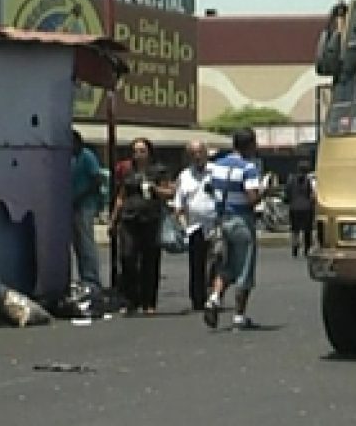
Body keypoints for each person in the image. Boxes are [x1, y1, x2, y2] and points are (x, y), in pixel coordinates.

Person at [203, 128, 264, 330]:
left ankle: (214, 298)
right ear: (249, 145)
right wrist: (264, 190)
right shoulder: (248, 168)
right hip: (241, 220)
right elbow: (252, 198)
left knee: (225, 264)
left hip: (222, 219)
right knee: (245, 267)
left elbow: (209, 188)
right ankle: (239, 314)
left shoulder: (217, 166)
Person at [110, 137, 173, 315]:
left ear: (149, 152)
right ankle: (131, 299)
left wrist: (155, 189)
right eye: (135, 151)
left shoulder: (159, 170)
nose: (138, 154)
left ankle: (149, 301)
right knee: (127, 257)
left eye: (142, 151)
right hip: (129, 220)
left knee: (149, 261)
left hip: (150, 220)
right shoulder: (128, 170)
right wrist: (113, 219)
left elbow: (169, 193)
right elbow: (121, 195)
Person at [173, 141, 217, 311]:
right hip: (194, 227)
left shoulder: (216, 172)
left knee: (216, 263)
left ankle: (213, 295)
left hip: (215, 224)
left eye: (200, 152)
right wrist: (182, 224)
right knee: (196, 264)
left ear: (206, 153)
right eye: (193, 153)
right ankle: (198, 299)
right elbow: (179, 203)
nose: (197, 156)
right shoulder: (184, 176)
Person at [70, 129, 104, 289]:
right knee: (74, 244)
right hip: (69, 205)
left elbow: (96, 179)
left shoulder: (86, 156)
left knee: (85, 242)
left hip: (85, 204)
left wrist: (80, 196)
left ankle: (91, 279)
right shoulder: (68, 159)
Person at [284, 159, 317, 258]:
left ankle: (295, 248)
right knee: (307, 230)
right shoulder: (310, 180)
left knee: (295, 229)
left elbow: (287, 195)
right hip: (307, 208)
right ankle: (307, 249)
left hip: (294, 208)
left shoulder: (291, 179)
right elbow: (313, 195)